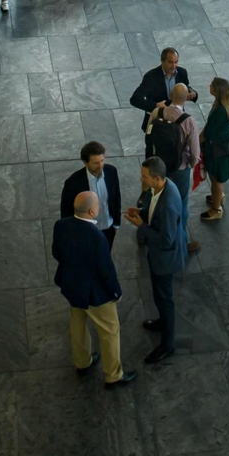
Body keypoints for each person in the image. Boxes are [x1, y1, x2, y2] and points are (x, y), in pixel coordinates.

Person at [52, 191, 136, 387]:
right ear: (92, 211)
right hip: (94, 293)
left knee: (77, 322)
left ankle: (82, 362)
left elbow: (56, 252)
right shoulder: (97, 238)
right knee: (109, 330)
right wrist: (116, 292)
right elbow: (106, 271)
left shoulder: (61, 225)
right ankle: (113, 375)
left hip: (71, 286)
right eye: (98, 205)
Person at [124, 158, 185, 364]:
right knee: (159, 295)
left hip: (164, 259)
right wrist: (141, 213)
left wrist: (141, 226)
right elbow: (153, 212)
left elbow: (166, 239)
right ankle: (162, 322)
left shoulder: (167, 203)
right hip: (159, 256)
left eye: (144, 176)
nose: (141, 178)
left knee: (164, 297)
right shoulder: (161, 188)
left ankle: (168, 344)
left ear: (157, 178)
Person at [146, 85, 200, 253]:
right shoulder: (188, 121)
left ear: (170, 95)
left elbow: (148, 135)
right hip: (179, 170)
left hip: (158, 167)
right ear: (185, 99)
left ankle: (147, 234)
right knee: (181, 207)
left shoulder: (158, 112)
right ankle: (182, 244)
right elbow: (195, 153)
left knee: (154, 200)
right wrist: (189, 165)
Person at [61, 142, 121, 247]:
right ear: (85, 162)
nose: (101, 165)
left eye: (102, 161)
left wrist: (116, 223)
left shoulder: (111, 172)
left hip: (108, 227)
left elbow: (116, 197)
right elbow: (66, 211)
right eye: (96, 163)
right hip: (86, 232)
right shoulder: (73, 183)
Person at [129, 48, 198, 134]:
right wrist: (156, 105)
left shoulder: (182, 72)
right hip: (157, 123)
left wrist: (193, 94)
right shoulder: (151, 76)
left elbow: (185, 87)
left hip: (177, 121)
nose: (174, 66)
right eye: (170, 62)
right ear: (162, 60)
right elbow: (135, 99)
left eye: (176, 62)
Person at [200, 76, 229, 221]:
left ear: (217, 91)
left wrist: (195, 142)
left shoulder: (220, 111)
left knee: (215, 180)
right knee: (216, 178)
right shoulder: (224, 107)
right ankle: (218, 196)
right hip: (220, 148)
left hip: (216, 151)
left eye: (212, 85)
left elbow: (208, 133)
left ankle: (216, 209)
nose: (209, 86)